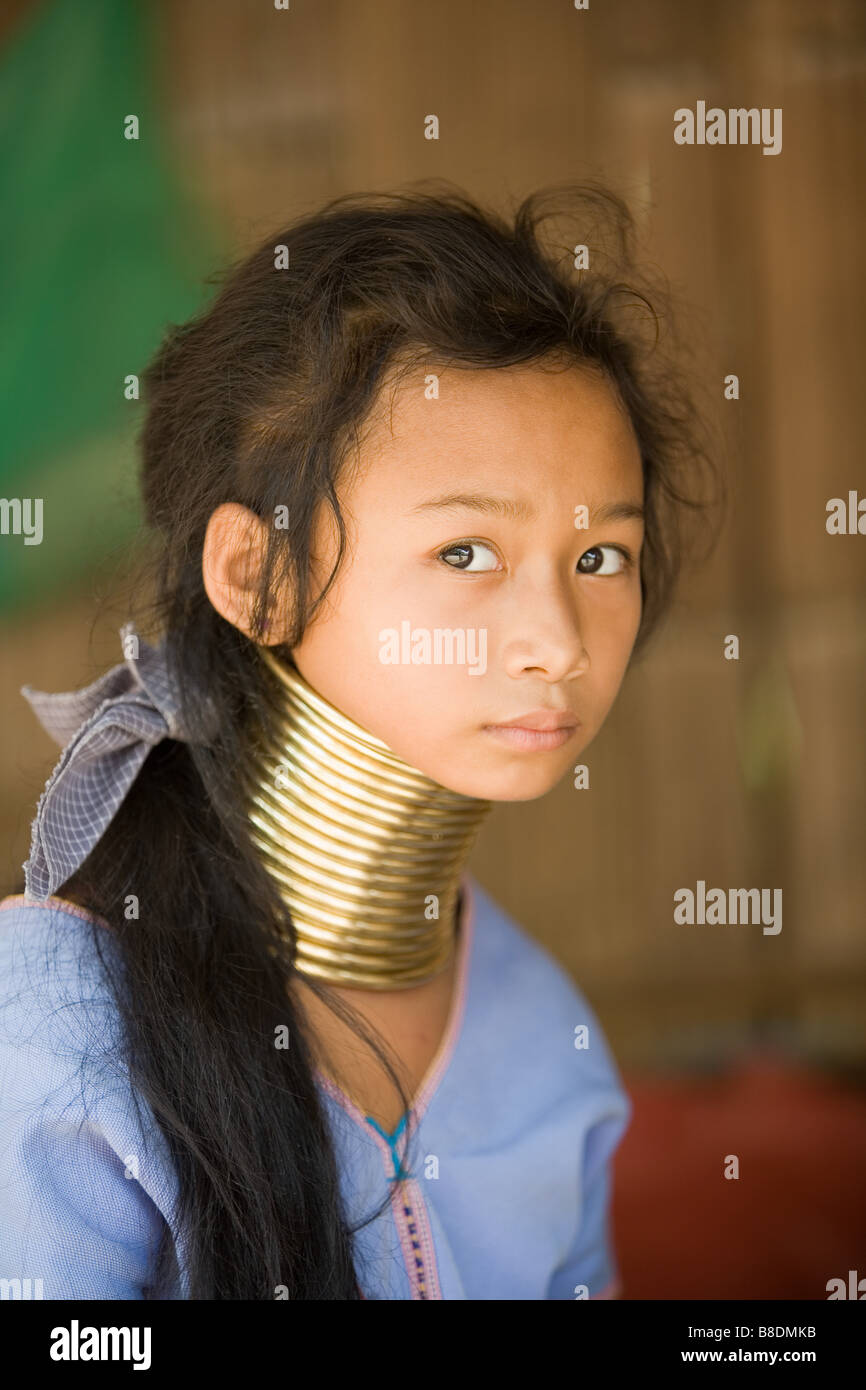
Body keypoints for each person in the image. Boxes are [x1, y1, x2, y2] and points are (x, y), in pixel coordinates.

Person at [0, 182, 720, 1299]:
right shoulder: (54, 1013)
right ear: (258, 575)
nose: (557, 642)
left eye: (600, 557)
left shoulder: (540, 1034)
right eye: (466, 552)